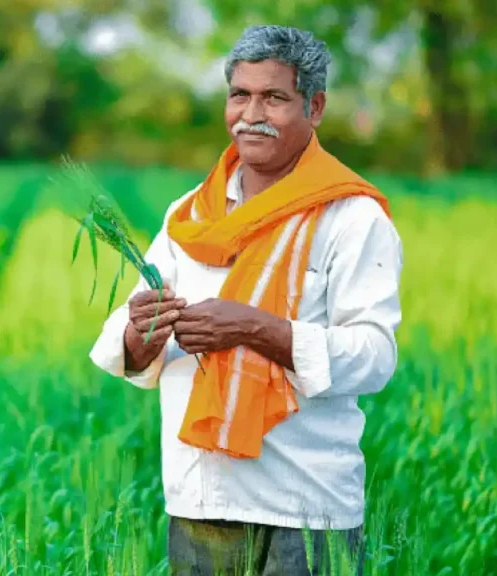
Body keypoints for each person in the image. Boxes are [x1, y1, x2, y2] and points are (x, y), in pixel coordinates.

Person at [88, 24, 404, 576]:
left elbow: (375, 357)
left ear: (316, 106)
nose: (250, 113)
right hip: (200, 498)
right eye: (240, 95)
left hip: (307, 505)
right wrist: (141, 331)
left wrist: (257, 329)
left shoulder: (351, 219)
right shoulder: (190, 214)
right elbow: (134, 342)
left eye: (274, 97)